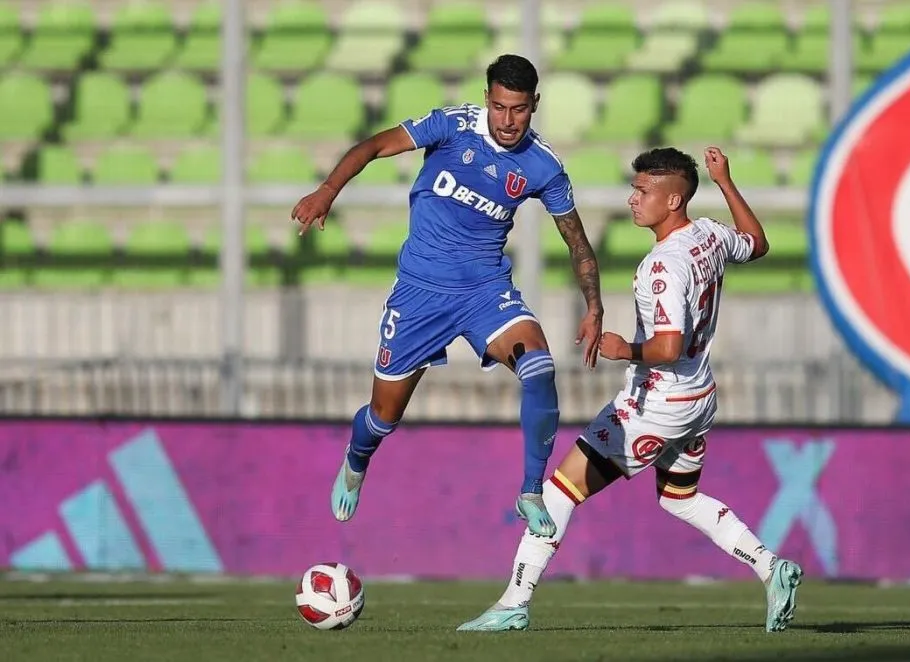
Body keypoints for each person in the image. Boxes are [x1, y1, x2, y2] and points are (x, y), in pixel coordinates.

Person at [456, 146, 803, 634]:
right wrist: (725, 181)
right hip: (698, 397)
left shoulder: (663, 267)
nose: (632, 199)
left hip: (657, 403)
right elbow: (756, 242)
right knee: (679, 497)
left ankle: (514, 602)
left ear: (674, 199)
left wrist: (625, 349)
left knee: (558, 491)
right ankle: (771, 567)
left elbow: (667, 346)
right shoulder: (708, 233)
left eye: (644, 191)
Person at [290, 54, 604, 538]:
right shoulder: (451, 126)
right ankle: (356, 461)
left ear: (534, 105)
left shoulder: (543, 166)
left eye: (519, 110)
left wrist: (595, 306)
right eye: (499, 107)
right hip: (419, 294)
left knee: (539, 366)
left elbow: (577, 241)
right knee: (383, 417)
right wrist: (328, 190)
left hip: (485, 292)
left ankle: (529, 491)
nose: (507, 120)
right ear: (487, 99)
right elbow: (374, 145)